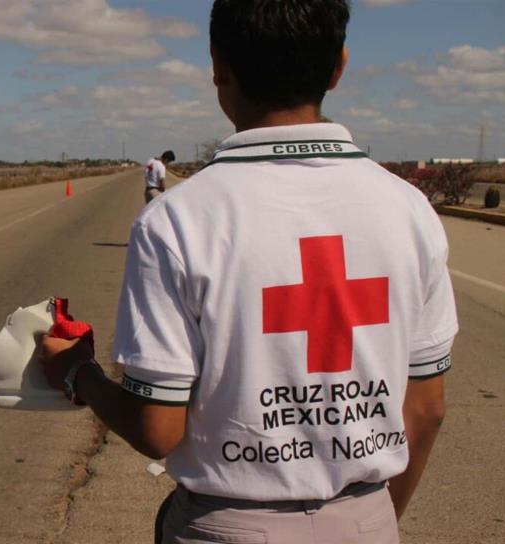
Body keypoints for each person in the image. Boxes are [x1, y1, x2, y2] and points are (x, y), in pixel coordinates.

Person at [40, 1, 457, 543]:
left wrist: (78, 373)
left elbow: (158, 427)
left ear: (218, 65)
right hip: (367, 521)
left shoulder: (177, 219)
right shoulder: (408, 207)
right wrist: (369, 522)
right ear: (339, 66)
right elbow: (425, 407)